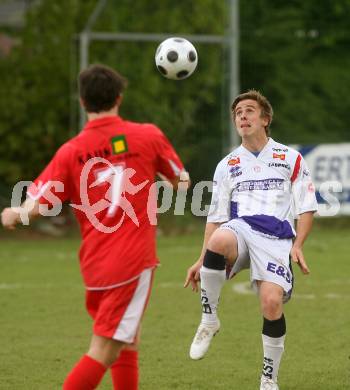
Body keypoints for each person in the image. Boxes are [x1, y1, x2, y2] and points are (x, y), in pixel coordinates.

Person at [1, 64, 189, 390]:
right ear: (119, 97)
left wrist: (14, 214)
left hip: (96, 264)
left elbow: (36, 206)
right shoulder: (148, 136)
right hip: (131, 262)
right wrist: (167, 177)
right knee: (103, 350)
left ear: (82, 102)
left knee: (127, 340)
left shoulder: (70, 151)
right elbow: (181, 184)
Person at [184, 90, 317, 390]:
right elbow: (216, 217)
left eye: (249, 111)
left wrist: (298, 245)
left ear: (265, 119)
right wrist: (201, 258)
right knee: (219, 239)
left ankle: (269, 379)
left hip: (276, 240)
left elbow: (306, 207)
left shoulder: (290, 158)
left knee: (271, 304)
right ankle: (209, 319)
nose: (242, 116)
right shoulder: (227, 165)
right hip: (240, 230)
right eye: (238, 113)